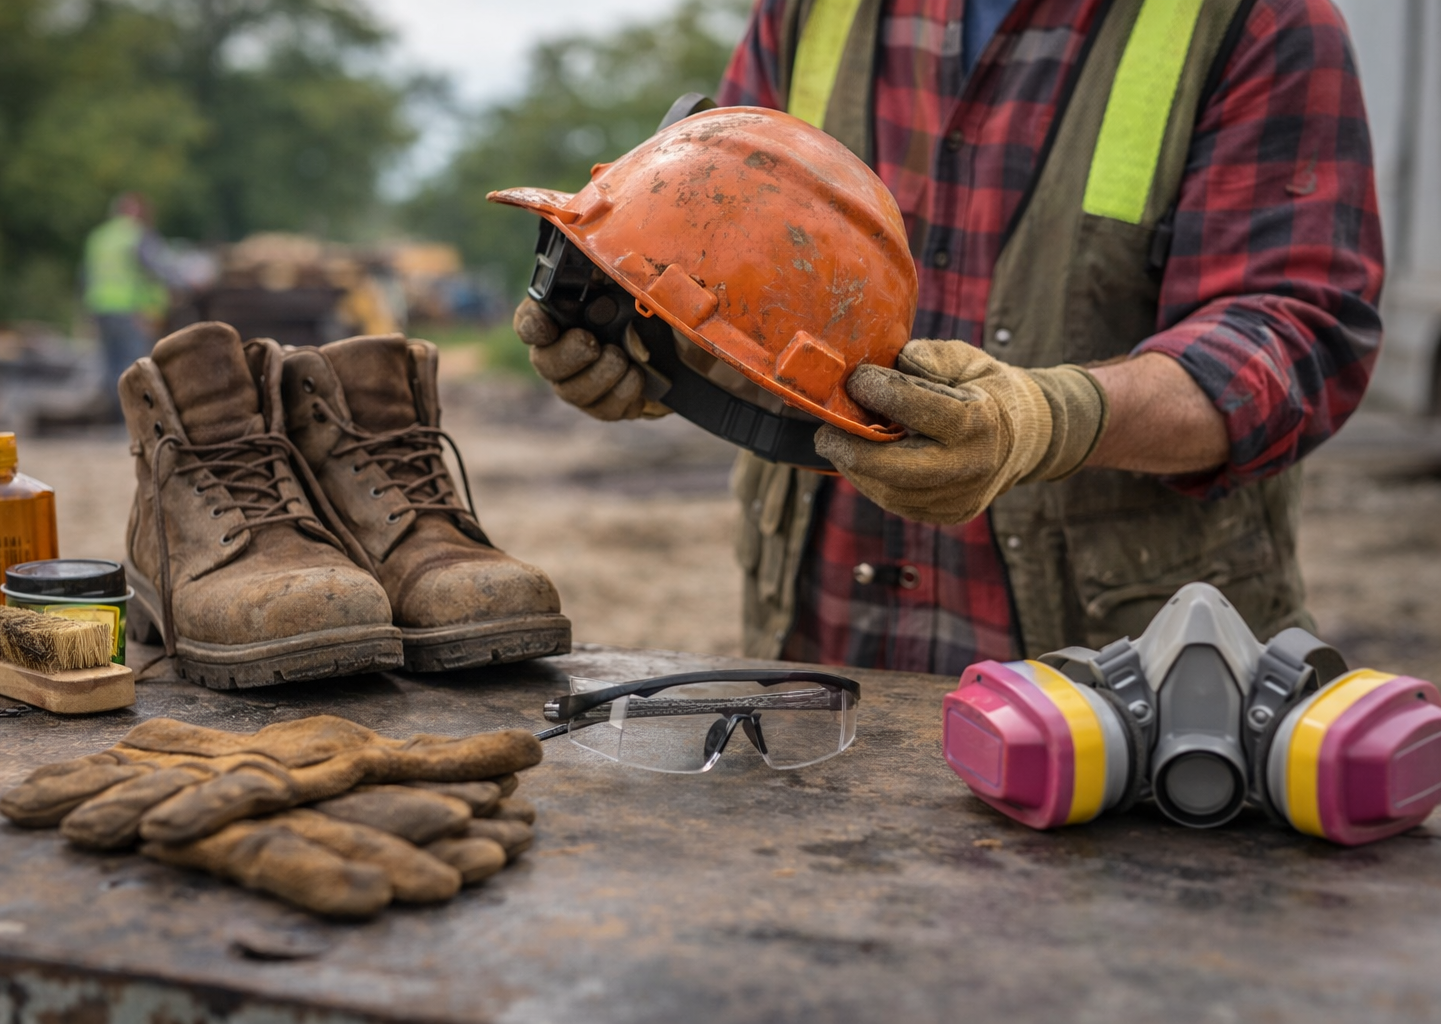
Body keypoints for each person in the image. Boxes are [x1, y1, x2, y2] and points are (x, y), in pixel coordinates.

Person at [513, 0, 1383, 675]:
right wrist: (651, 343)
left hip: (1127, 693)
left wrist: (1050, 419)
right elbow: (736, 262)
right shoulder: (816, 11)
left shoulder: (1254, 22)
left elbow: (1292, 335)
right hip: (829, 657)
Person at [83, 193, 176, 412]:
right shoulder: (137, 236)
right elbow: (157, 269)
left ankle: (114, 417)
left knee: (110, 365)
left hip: (100, 308)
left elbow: (85, 277)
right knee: (134, 365)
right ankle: (133, 419)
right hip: (129, 309)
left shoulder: (99, 237)